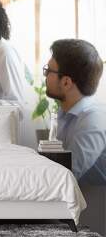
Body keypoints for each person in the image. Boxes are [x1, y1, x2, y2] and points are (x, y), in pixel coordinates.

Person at [44, 39, 105, 185]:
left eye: (48, 71)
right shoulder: (64, 111)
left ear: (66, 82)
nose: (45, 75)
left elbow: (63, 177)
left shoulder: (93, 120)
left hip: (94, 204)